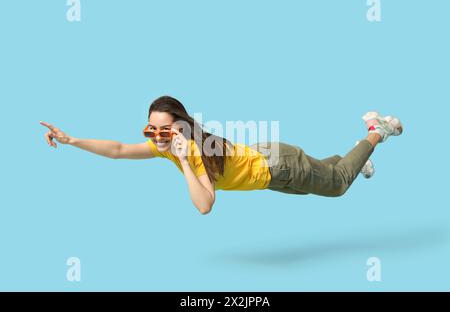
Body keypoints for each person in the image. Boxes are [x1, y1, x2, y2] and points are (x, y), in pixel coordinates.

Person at [40, 96, 403, 215]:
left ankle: (375, 133)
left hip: (279, 167)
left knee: (336, 185)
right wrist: (71, 140)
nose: (157, 137)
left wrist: (183, 160)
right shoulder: (170, 144)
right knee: (320, 177)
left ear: (181, 126)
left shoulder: (193, 152)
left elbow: (204, 205)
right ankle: (359, 159)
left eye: (164, 130)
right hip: (271, 166)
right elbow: (118, 150)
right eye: (150, 130)